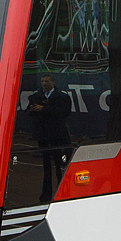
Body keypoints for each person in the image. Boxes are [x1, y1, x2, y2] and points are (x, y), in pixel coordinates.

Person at [28, 72, 73, 202]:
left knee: (59, 164)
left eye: (47, 81)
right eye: (42, 81)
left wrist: (45, 109)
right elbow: (28, 111)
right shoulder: (35, 96)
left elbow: (65, 112)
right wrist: (33, 110)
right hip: (42, 135)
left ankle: (61, 191)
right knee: (46, 166)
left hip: (57, 134)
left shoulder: (62, 97)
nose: (44, 83)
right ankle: (46, 194)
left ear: (53, 82)